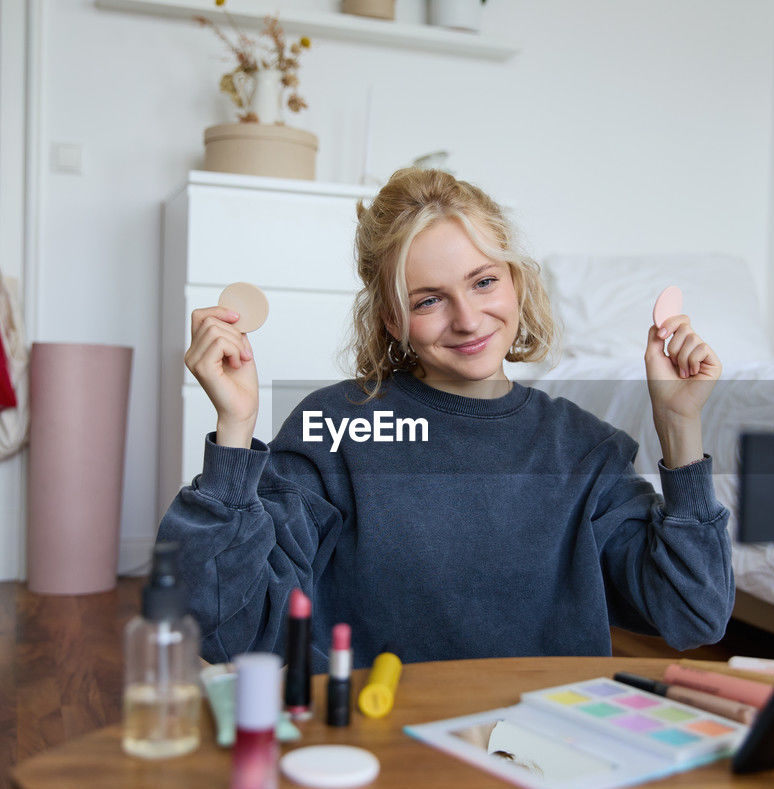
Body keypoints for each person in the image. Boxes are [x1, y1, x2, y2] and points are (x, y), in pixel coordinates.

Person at [158, 168, 733, 670]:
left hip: (537, 750)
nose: (467, 319)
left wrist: (679, 427)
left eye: (484, 281)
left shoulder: (585, 448)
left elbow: (694, 615)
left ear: (516, 282)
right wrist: (235, 428)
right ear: (391, 319)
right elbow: (221, 624)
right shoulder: (337, 427)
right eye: (428, 300)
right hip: (383, 744)